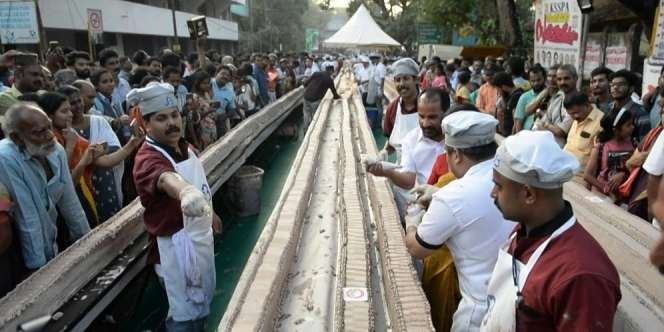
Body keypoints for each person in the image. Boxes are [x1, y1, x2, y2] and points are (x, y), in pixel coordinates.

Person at [484, 130, 621, 331]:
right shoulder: (524, 231)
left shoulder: (582, 276)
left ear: (528, 194)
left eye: (499, 186)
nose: (492, 193)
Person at [405, 111, 515, 331]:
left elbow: (417, 249)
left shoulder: (453, 195)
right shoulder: (511, 179)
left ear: (455, 155)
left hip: (480, 312)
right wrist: (437, 193)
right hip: (515, 306)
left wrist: (412, 221)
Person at [131, 83, 221, 331]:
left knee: (200, 303)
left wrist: (211, 213)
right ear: (146, 124)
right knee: (184, 313)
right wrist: (185, 192)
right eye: (161, 118)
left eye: (174, 116)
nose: (172, 123)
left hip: (198, 237)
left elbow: (198, 183)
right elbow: (165, 178)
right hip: (176, 248)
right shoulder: (148, 157)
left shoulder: (184, 147)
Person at [0, 103, 90, 270]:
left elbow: (70, 202)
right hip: (20, 246)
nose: (50, 135)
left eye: (49, 127)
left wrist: (88, 242)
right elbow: (28, 216)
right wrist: (39, 268)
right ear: (16, 138)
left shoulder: (55, 149)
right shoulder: (5, 158)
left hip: (49, 236)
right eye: (39, 132)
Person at [367, 89, 450, 217]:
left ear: (446, 113)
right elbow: (408, 181)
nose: (425, 123)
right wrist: (387, 171)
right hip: (428, 205)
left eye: (432, 117)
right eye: (421, 116)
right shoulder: (411, 140)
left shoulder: (458, 139)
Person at [584, 108, 635, 199]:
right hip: (600, 196)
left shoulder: (633, 146)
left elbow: (634, 169)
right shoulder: (601, 147)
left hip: (623, 198)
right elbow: (587, 175)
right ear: (616, 129)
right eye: (628, 125)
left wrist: (623, 174)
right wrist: (605, 188)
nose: (632, 127)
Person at [382, 58, 421, 162]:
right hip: (401, 170)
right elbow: (391, 142)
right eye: (397, 80)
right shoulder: (392, 109)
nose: (401, 84)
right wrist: (384, 153)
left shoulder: (429, 105)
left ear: (417, 80)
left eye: (406, 78)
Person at [533, 64, 577, 147]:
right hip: (546, 145)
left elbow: (560, 131)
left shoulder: (578, 102)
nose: (562, 82)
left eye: (566, 78)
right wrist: (549, 126)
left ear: (575, 79)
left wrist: (546, 125)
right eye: (559, 79)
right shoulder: (557, 99)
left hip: (563, 149)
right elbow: (539, 123)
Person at [563, 91, 604, 172]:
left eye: (576, 113)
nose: (575, 116)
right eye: (571, 114)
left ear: (587, 105)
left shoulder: (601, 121)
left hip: (580, 175)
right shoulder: (577, 118)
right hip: (562, 168)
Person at [609, 70, 650, 144]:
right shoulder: (608, 108)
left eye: (620, 84)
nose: (615, 87)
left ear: (631, 89)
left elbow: (644, 145)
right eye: (612, 84)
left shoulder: (640, 113)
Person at [90, 69, 131, 144]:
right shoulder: (94, 101)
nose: (110, 84)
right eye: (104, 82)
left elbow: (122, 117)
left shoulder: (115, 98)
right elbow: (99, 120)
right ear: (96, 86)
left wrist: (127, 137)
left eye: (111, 81)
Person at [302, 65, 340, 130]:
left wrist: (307, 87)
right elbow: (334, 93)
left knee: (306, 113)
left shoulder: (316, 73)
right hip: (315, 100)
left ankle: (306, 128)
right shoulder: (329, 80)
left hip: (306, 97)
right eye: (332, 72)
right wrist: (338, 97)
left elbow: (306, 83)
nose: (332, 73)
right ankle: (313, 129)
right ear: (331, 71)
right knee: (315, 115)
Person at [513, 64, 546, 132]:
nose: (536, 83)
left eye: (538, 80)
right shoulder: (524, 97)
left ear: (544, 78)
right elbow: (518, 122)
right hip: (528, 136)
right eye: (533, 81)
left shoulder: (552, 95)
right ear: (529, 81)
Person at [492, 72, 524, 136]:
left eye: (498, 89)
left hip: (511, 135)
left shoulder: (517, 96)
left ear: (503, 87)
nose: (498, 92)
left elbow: (516, 119)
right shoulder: (508, 97)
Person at [210, 65, 237, 137]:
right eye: (223, 73)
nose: (225, 76)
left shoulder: (230, 91)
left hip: (221, 122)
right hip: (206, 121)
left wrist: (224, 116)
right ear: (217, 74)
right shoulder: (209, 83)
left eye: (228, 75)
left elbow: (232, 109)